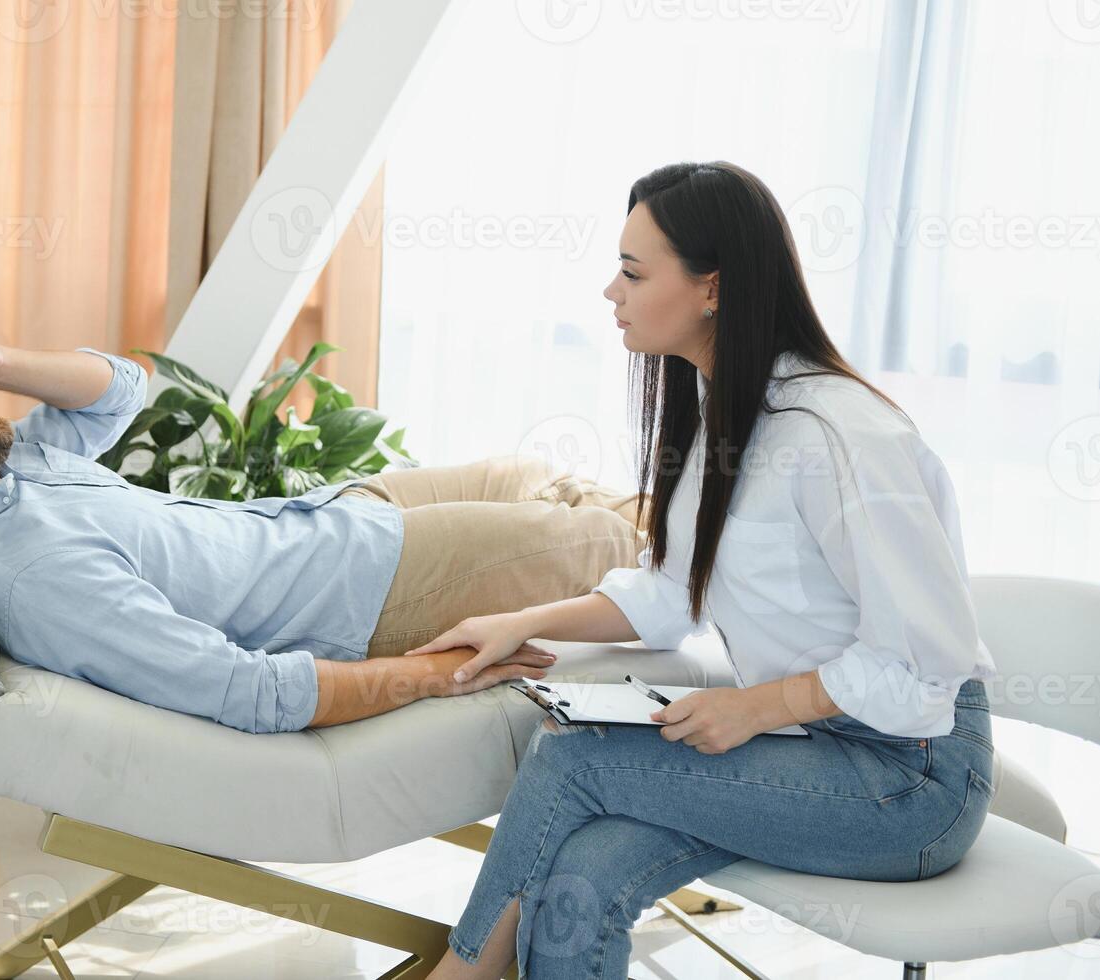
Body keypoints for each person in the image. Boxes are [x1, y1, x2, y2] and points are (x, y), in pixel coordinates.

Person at [419, 161, 997, 980]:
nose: (609, 293)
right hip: (802, 747)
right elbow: (665, 594)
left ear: (710, 287)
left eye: (631, 271)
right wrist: (523, 623)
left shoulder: (841, 438)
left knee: (573, 757)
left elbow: (924, 662)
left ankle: (460, 974)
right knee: (580, 878)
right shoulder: (719, 417)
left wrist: (759, 707)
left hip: (909, 779)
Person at [0, 320, 647, 733]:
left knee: (540, 477)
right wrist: (432, 677)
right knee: (620, 544)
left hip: (335, 520)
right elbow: (246, 691)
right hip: (377, 591)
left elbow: (121, 388)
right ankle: (772, 604)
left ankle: (753, 547)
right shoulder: (38, 577)